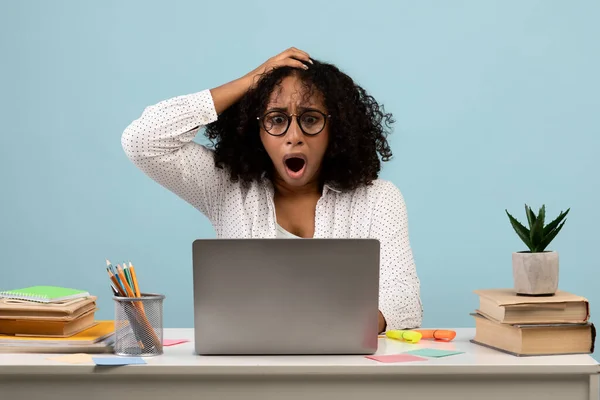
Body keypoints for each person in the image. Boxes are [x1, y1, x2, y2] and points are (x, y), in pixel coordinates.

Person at [121, 47, 422, 332]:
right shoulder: (226, 187)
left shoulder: (378, 198)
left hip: (343, 369)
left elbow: (404, 301)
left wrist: (329, 332)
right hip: (248, 371)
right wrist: (250, 81)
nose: (294, 136)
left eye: (311, 119)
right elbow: (142, 141)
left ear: (337, 130)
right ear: (256, 131)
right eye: (276, 119)